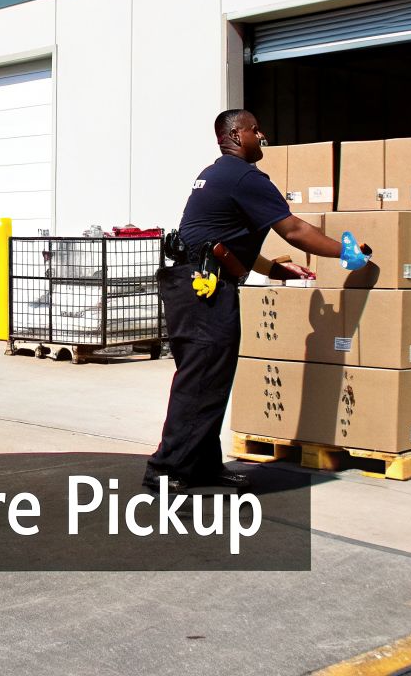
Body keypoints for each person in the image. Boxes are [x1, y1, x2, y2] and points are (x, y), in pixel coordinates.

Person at [145, 109, 357, 491]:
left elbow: (222, 239)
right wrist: (344, 252)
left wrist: (274, 271)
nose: (262, 135)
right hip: (206, 292)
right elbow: (293, 230)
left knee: (208, 380)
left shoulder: (213, 174)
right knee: (201, 383)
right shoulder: (245, 177)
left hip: (190, 286)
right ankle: (166, 469)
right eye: (255, 129)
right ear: (236, 134)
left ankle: (202, 465)